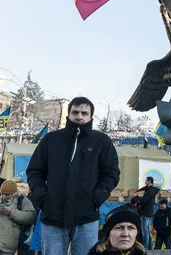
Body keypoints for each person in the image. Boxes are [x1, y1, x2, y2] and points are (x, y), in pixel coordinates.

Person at [27, 96, 120, 255]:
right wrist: (43, 197)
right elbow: (35, 171)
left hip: (86, 217)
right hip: (53, 216)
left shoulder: (101, 141)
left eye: (84, 113)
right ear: (68, 115)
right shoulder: (52, 139)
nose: (79, 116)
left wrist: (97, 197)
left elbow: (111, 173)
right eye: (75, 112)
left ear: (91, 116)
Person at [0, 180, 36, 255]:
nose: (3, 196)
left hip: (8, 245)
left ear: (13, 193)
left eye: (6, 194)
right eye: (2, 194)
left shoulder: (23, 201)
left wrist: (12, 212)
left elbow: (30, 216)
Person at [136, 176, 160, 249]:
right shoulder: (151, 190)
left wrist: (137, 198)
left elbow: (144, 200)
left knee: (145, 229)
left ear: (149, 181)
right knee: (147, 228)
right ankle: (149, 245)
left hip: (146, 211)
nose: (145, 181)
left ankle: (146, 245)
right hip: (149, 211)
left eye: (146, 180)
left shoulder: (150, 190)